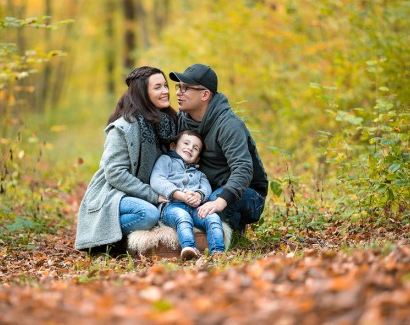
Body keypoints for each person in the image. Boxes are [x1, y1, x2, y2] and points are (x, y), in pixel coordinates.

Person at [74, 66, 177, 252]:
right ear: (143, 94)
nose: (165, 91)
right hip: (115, 192)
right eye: (157, 87)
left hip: (147, 191)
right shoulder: (123, 128)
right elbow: (114, 173)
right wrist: (152, 196)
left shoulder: (168, 124)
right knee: (148, 214)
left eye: (165, 86)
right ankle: (102, 239)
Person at [168, 63, 268, 234]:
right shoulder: (182, 120)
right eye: (179, 87)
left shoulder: (228, 125)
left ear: (205, 94)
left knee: (213, 207)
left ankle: (235, 228)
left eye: (186, 88)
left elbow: (243, 168)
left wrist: (219, 202)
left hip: (246, 192)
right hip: (204, 188)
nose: (178, 92)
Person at [150, 130, 225, 260]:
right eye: (186, 143)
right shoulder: (166, 160)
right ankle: (189, 248)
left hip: (195, 207)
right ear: (173, 146)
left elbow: (206, 187)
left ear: (197, 158)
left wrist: (198, 196)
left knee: (212, 218)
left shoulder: (199, 173)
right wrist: (180, 195)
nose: (190, 148)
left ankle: (218, 251)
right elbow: (157, 180)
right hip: (171, 206)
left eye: (195, 148)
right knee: (182, 216)